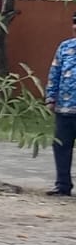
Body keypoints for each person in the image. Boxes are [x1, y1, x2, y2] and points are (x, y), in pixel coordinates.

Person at [49, 12, 76, 197]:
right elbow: (55, 72)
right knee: (61, 146)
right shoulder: (65, 47)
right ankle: (62, 186)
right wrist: (50, 97)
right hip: (65, 108)